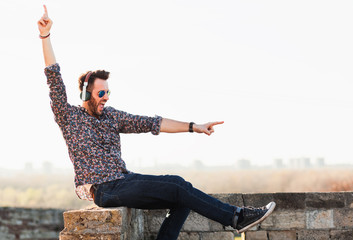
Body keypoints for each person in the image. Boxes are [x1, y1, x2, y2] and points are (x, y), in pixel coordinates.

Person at [37, 5, 275, 240]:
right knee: (177, 186)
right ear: (86, 94)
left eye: (108, 93)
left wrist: (194, 127)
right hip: (105, 189)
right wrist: (45, 36)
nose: (106, 98)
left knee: (181, 194)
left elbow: (153, 123)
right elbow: (54, 78)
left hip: (123, 180)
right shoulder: (69, 117)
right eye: (101, 94)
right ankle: (237, 217)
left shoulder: (112, 117)